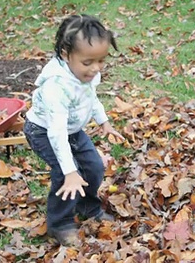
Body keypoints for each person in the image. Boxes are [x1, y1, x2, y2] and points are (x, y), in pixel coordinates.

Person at [23, 14, 124, 246]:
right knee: (67, 171)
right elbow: (56, 133)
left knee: (94, 166)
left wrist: (104, 122)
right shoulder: (56, 88)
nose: (96, 69)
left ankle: (87, 205)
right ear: (66, 55)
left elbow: (91, 97)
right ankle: (60, 223)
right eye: (88, 63)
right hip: (44, 131)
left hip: (72, 129)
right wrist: (69, 172)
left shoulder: (88, 74)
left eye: (101, 61)